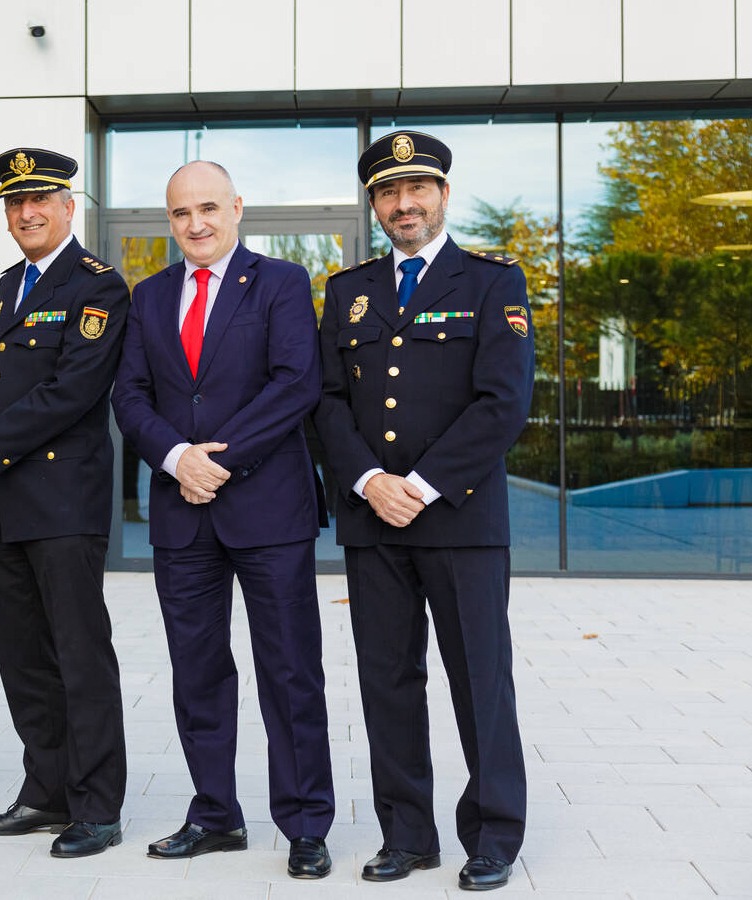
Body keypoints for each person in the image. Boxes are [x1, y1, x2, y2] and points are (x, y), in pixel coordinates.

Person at [313, 131, 534, 892]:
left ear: (443, 194)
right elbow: (328, 402)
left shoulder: (491, 282)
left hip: (463, 521)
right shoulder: (350, 290)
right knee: (388, 682)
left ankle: (495, 834)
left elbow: (504, 403)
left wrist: (424, 483)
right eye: (387, 192)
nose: (403, 204)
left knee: (481, 680)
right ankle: (408, 835)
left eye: (417, 190)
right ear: (374, 203)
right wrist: (372, 479)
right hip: (375, 521)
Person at [112, 161, 334, 877]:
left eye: (209, 207)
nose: (196, 224)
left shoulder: (282, 283)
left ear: (237, 208)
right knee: (197, 672)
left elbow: (296, 383)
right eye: (181, 213)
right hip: (184, 515)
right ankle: (214, 813)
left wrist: (217, 460)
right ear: (168, 219)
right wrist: (178, 459)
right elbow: (130, 395)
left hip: (268, 510)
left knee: (290, 671)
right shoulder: (146, 297)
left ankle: (305, 823)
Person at [0, 147, 130, 859]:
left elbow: (71, 391)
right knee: (25, 660)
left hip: (63, 503)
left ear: (69, 207)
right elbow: (16, 377)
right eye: (15, 203)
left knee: (80, 657)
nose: (27, 212)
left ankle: (98, 807)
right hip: (6, 505)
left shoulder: (99, 286)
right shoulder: (14, 281)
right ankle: (46, 792)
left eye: (40, 200)